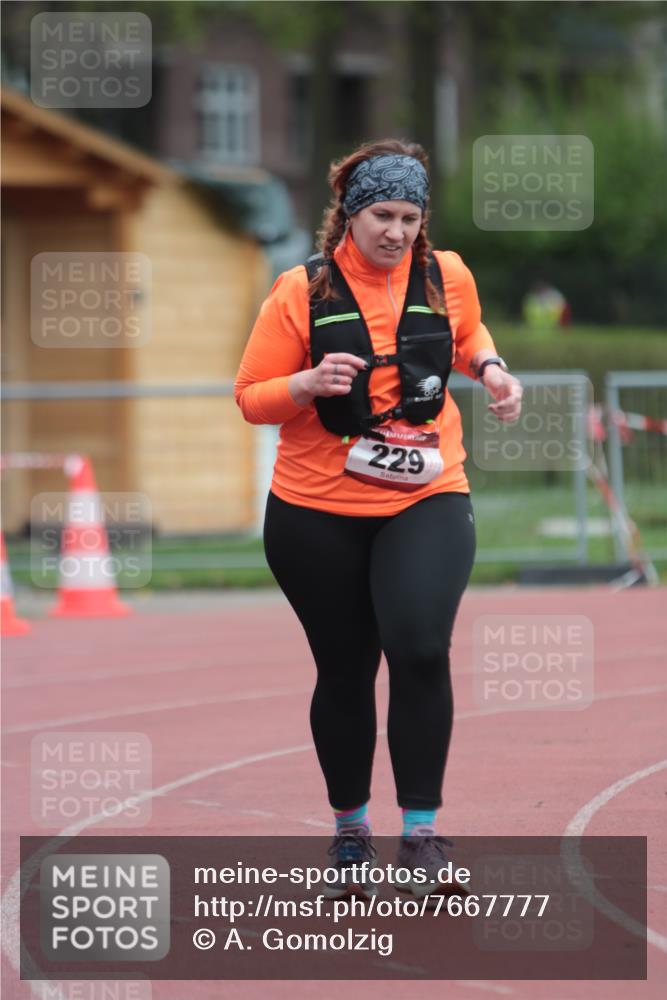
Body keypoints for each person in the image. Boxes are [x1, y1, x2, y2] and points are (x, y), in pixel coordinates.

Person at [234, 139, 523, 901]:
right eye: (381, 215)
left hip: (426, 494)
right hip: (314, 508)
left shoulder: (445, 273)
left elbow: (466, 338)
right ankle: (350, 833)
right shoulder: (301, 290)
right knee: (346, 668)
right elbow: (249, 394)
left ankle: (421, 835)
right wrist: (303, 382)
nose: (395, 231)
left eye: (409, 216)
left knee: (420, 646)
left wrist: (490, 370)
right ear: (350, 214)